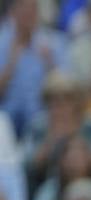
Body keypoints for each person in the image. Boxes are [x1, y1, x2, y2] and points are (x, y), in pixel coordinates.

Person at [0, 0, 67, 136]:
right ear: (12, 12)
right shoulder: (2, 42)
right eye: (23, 8)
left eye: (32, 8)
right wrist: (11, 62)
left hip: (42, 114)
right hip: (5, 115)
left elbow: (66, 90)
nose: (27, 13)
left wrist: (49, 63)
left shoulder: (54, 41)